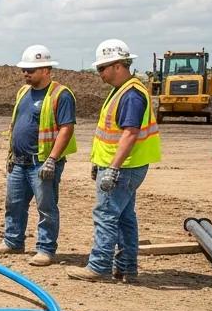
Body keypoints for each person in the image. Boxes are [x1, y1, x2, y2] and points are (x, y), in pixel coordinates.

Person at [68, 38, 161, 283]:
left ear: (118, 65)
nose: (100, 73)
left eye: (102, 68)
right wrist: (99, 163)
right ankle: (126, 267)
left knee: (106, 215)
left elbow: (130, 133)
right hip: (123, 166)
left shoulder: (131, 95)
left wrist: (111, 169)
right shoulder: (122, 91)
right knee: (124, 217)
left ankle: (98, 266)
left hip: (124, 168)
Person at [0, 45, 76, 266]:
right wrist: (10, 154)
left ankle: (45, 248)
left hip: (42, 162)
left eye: (31, 70)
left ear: (46, 70)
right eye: (24, 69)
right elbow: (17, 123)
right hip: (19, 162)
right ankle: (13, 241)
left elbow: (66, 128)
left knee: (46, 206)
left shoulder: (61, 95)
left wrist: (52, 160)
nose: (26, 73)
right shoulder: (23, 92)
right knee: (14, 203)